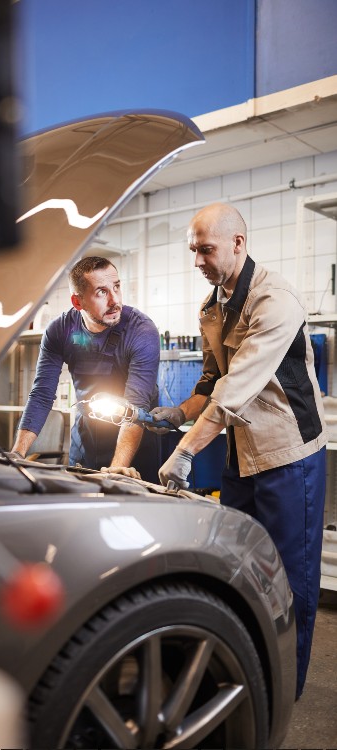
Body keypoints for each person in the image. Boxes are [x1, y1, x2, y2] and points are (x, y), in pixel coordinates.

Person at [150, 202, 327, 700]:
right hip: (241, 455)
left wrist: (185, 451)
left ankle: (280, 698)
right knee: (237, 572)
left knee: (292, 585)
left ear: (237, 243)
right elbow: (211, 381)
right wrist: (177, 414)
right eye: (193, 250)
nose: (197, 260)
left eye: (205, 249)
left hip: (289, 456)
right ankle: (243, 678)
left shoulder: (277, 300)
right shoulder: (212, 306)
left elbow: (235, 390)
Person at [11, 256, 161, 482]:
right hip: (86, 440)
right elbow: (42, 394)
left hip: (135, 447)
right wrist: (17, 453)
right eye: (102, 292)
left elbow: (136, 404)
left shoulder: (141, 331)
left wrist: (118, 467)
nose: (114, 301)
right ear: (77, 302)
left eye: (117, 287)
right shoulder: (60, 331)